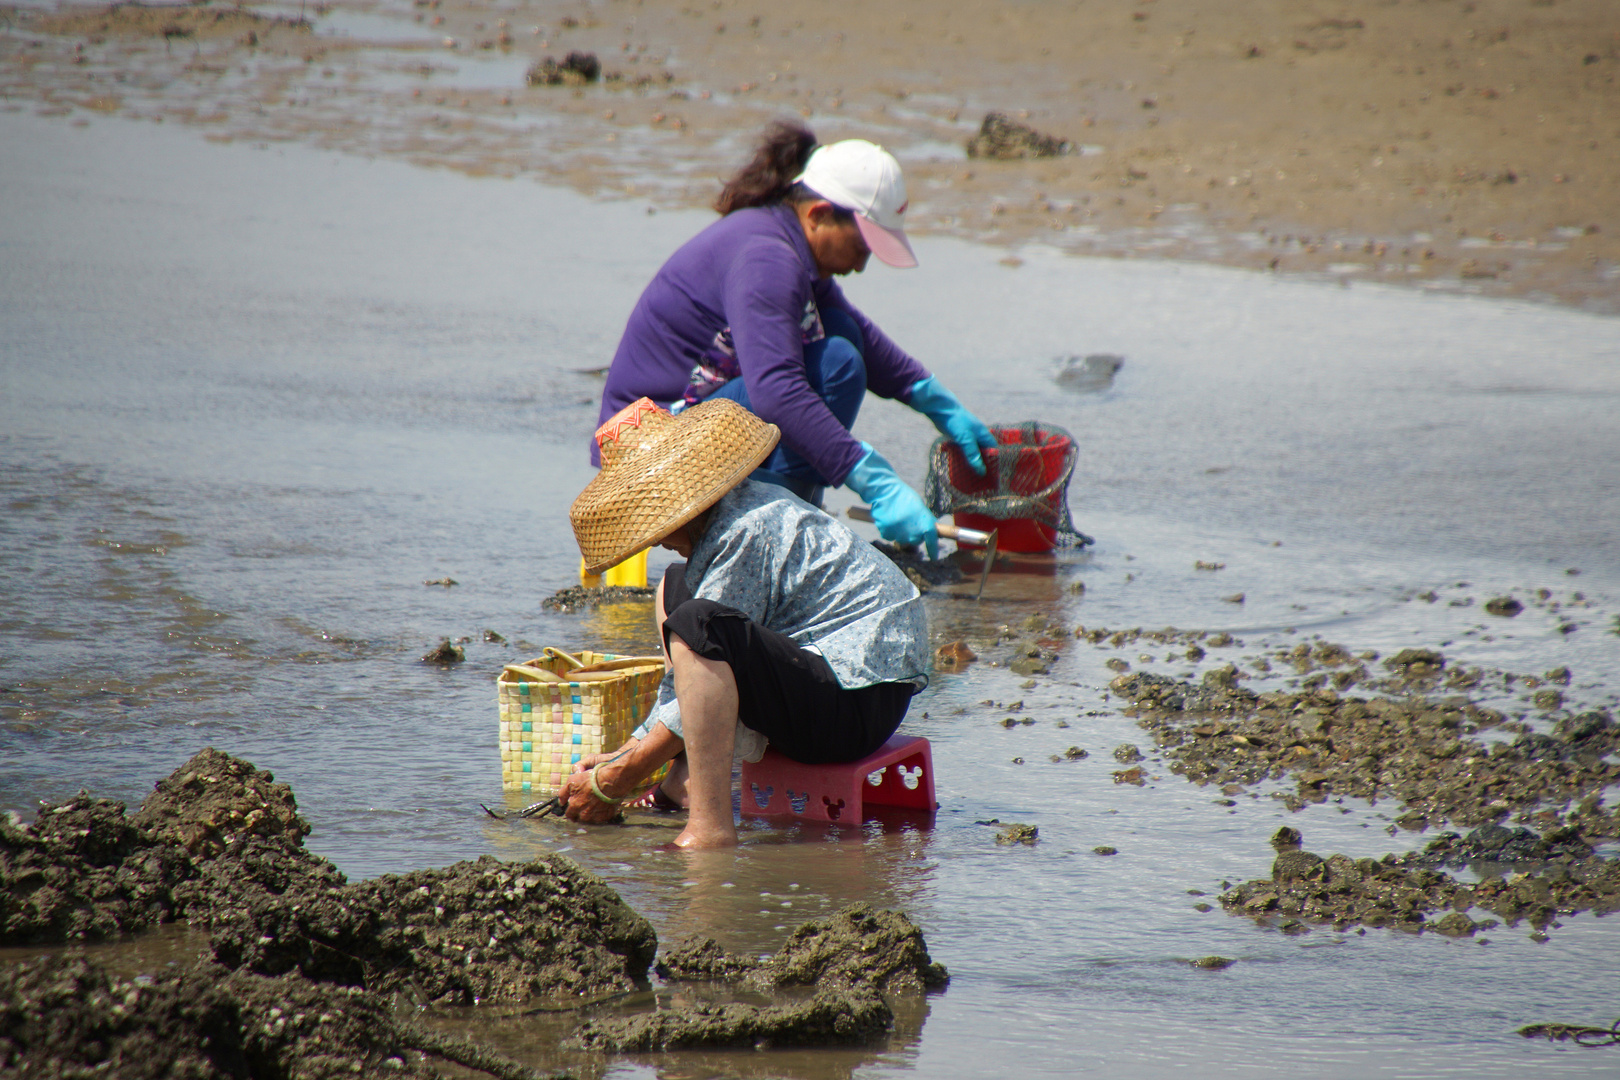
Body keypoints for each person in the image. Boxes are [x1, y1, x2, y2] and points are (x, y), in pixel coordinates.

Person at [595, 120, 996, 558]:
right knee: (837, 364)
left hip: (690, 418)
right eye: (862, 247)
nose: (862, 266)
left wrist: (933, 399)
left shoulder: (781, 236)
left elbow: (853, 327)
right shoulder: (767, 258)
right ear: (819, 214)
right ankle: (775, 540)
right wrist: (871, 477)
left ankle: (785, 517)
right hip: (647, 444)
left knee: (842, 337)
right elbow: (777, 393)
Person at [561, 396, 930, 848]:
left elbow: (706, 645)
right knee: (676, 588)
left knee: (700, 625)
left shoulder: (745, 532)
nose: (656, 541)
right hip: (835, 673)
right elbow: (680, 687)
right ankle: (685, 778)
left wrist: (617, 778)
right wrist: (627, 749)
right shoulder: (742, 510)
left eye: (654, 525)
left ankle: (710, 828)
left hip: (858, 701)